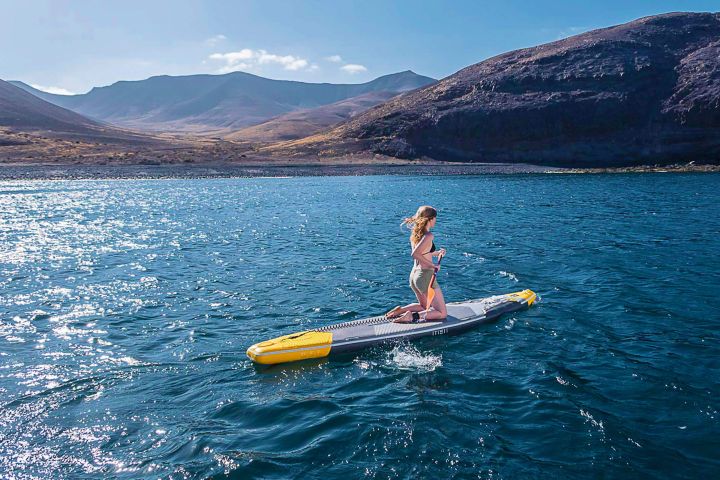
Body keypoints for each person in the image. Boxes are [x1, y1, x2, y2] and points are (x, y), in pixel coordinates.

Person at [386, 205, 448, 323]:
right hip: (425, 276)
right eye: (435, 218)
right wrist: (433, 266)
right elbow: (415, 254)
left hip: (414, 276)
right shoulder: (429, 235)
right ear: (430, 219)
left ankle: (400, 311)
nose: (436, 220)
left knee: (425, 307)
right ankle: (411, 316)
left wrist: (438, 253)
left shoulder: (416, 235)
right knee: (442, 313)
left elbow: (424, 252)